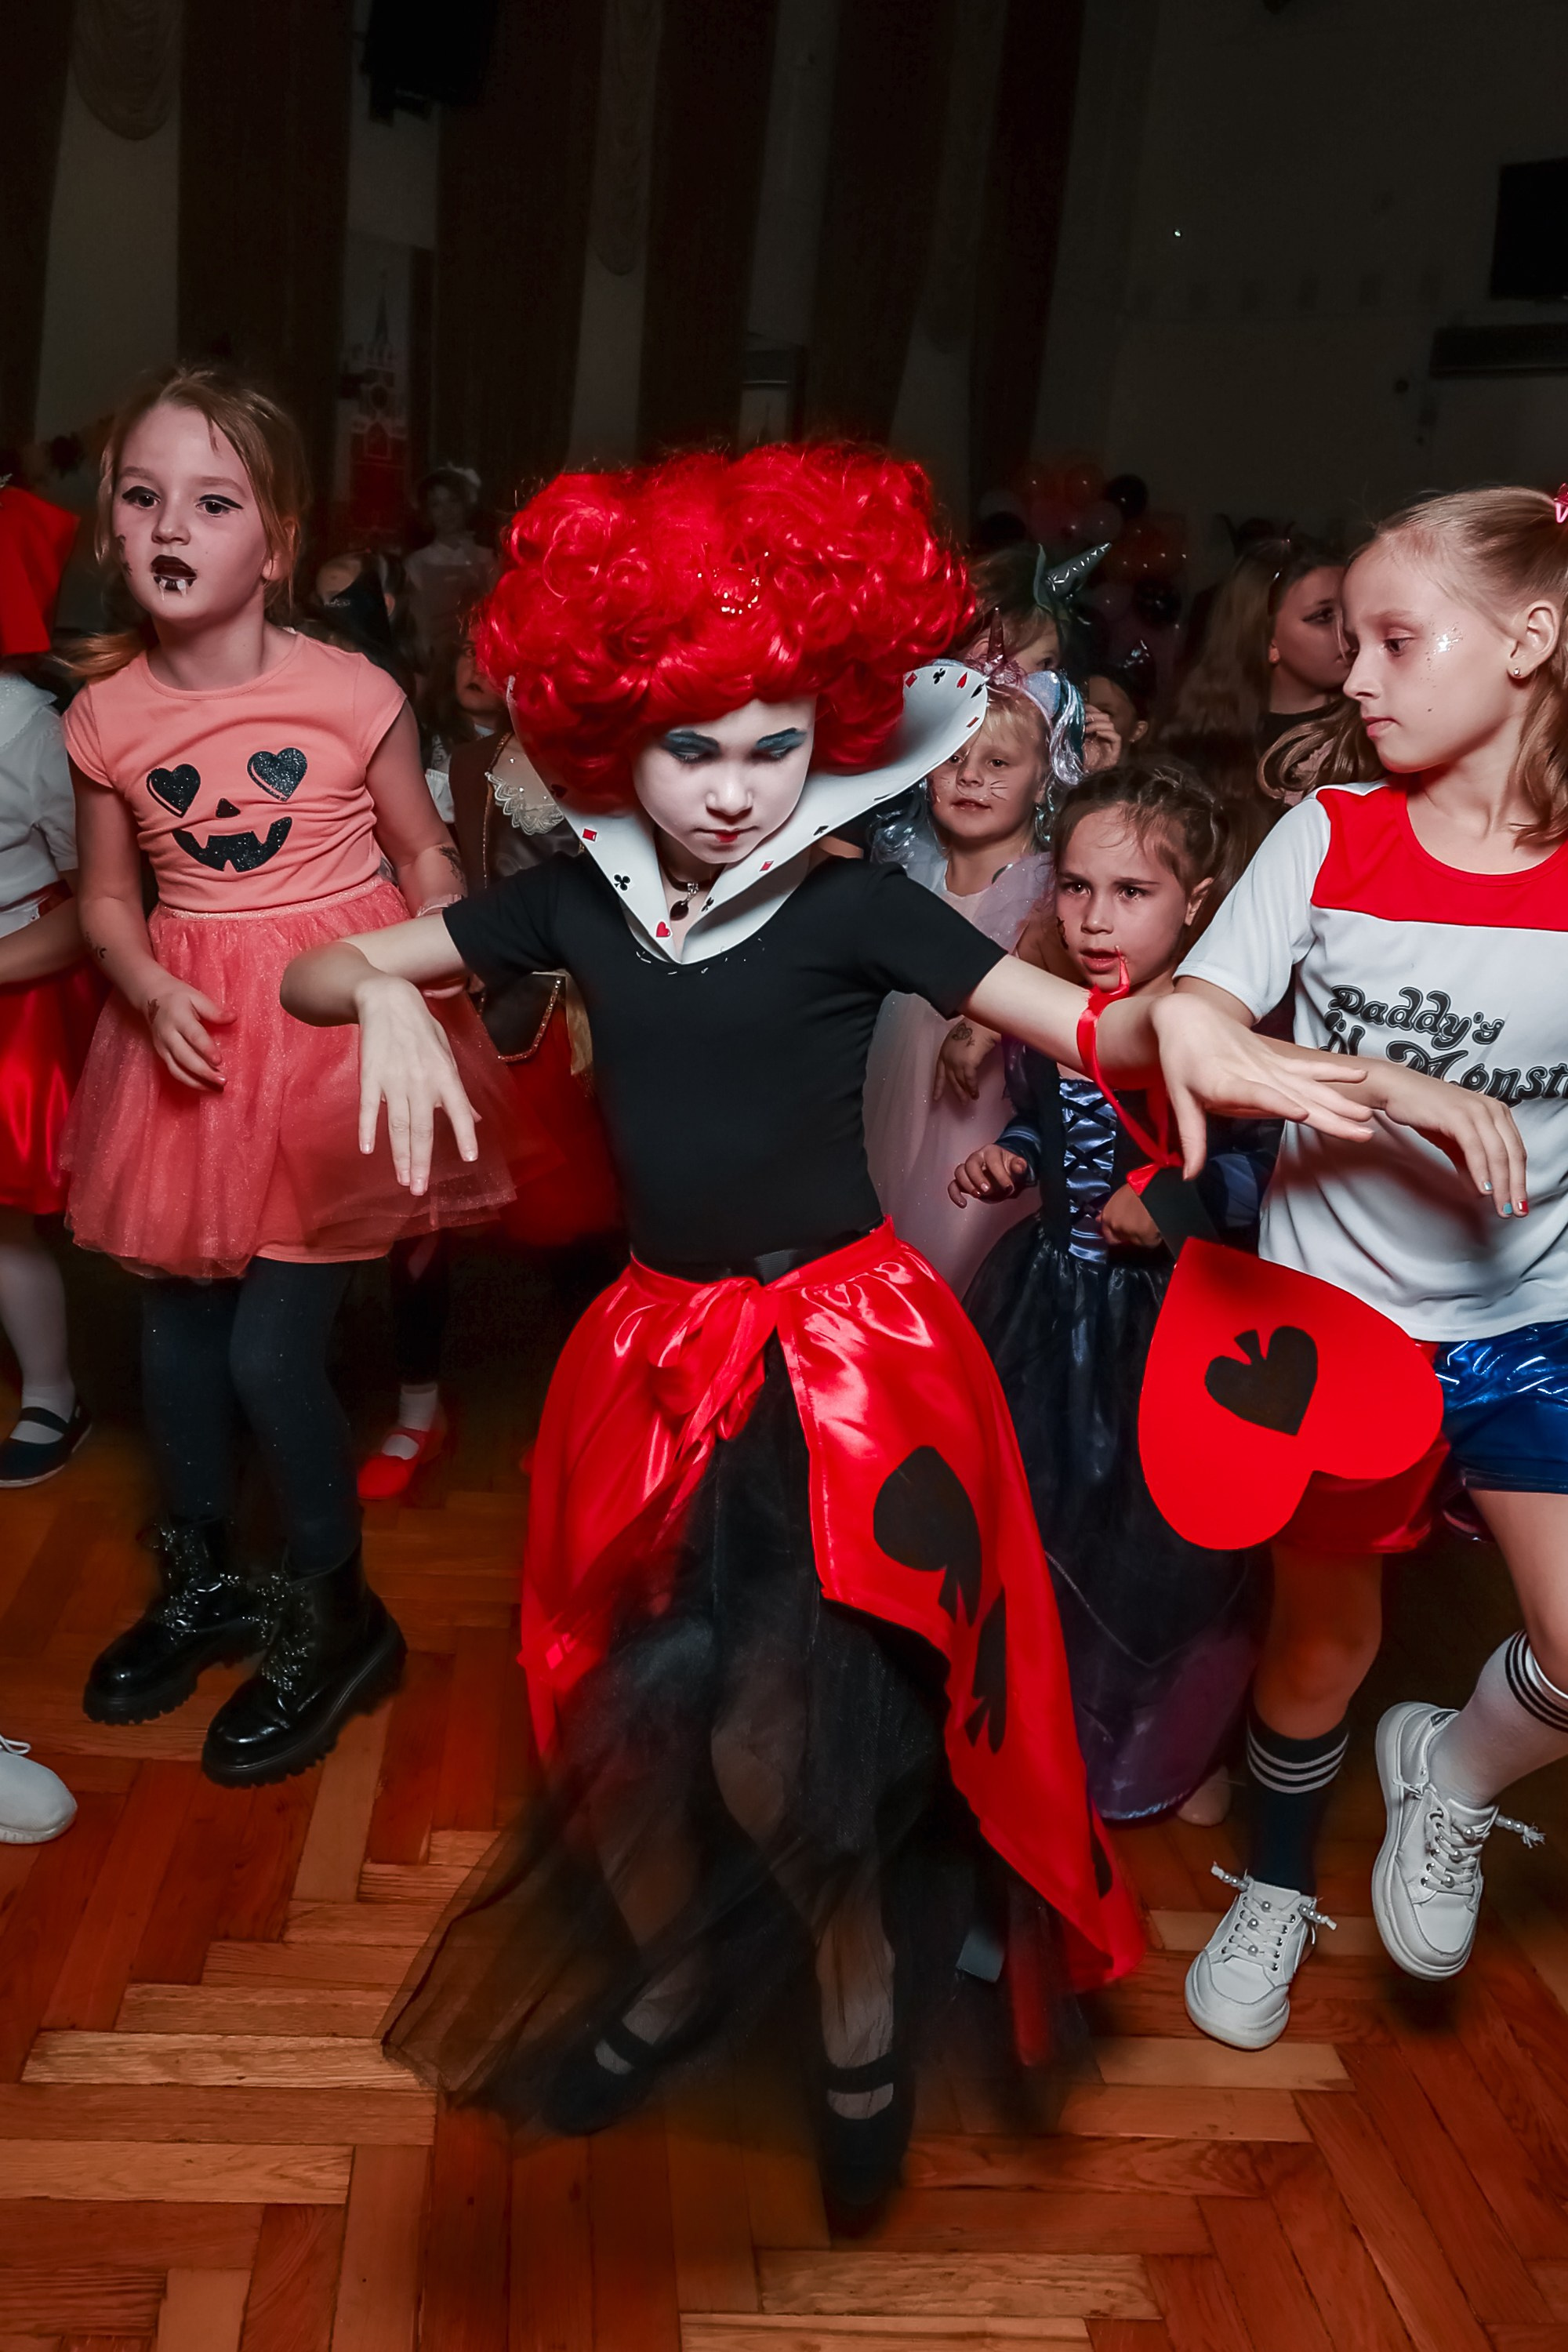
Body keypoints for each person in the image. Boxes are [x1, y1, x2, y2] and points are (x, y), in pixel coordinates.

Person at [284, 445, 1379, 2206]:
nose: (734, 791)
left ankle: (860, 1993)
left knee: (775, 1731)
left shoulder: (852, 901)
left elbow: (1068, 1020)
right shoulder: (578, 897)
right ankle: (675, 1968)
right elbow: (310, 972)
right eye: (694, 747)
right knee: (617, 1708)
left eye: (776, 746)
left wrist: (1191, 1038)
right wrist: (389, 1005)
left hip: (838, 1358)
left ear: (836, 736)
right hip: (649, 1357)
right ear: (607, 732)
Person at [58, 363, 517, 1787]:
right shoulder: (109, 718)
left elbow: (426, 852)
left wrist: (430, 960)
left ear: (280, 537)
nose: (171, 524)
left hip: (334, 1029)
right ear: (109, 529)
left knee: (270, 1347)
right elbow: (109, 898)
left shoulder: (351, 689)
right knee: (178, 1343)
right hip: (187, 1037)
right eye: (143, 498)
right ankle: (201, 1585)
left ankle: (338, 1606)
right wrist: (141, 983)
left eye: (212, 499)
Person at [1173, 487, 1559, 2050]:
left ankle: (1450, 1774)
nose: (1357, 673)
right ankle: (1274, 1886)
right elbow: (1193, 1026)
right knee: (1319, 1647)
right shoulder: (1325, 836)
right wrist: (1389, 1087)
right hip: (1326, 1331)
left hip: (1531, 1317)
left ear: (1532, 640)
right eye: (1356, 639)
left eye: (1399, 638)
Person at [953, 758, 1272, 1826]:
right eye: (1078, 888)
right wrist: (1014, 1156)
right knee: (1043, 1523)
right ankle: (1043, 1732)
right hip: (1047, 1306)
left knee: (1171, 1548)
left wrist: (1168, 1201)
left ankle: (1175, 1745)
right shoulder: (1046, 1007)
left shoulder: (1227, 1023)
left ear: (1201, 904)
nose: (1095, 920)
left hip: (1173, 1327)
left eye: (1132, 894)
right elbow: (1041, 1113)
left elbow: (1265, 1167)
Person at [358, 702, 622, 1504]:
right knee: (421, 1230)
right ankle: (416, 1412)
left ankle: (583, 1419)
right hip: (465, 1019)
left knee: (576, 1237)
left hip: (572, 1030)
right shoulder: (468, 762)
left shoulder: (628, 757)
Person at [862, 673, 1056, 1295]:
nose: (971, 779)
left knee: (958, 1253)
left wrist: (985, 1023)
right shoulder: (903, 875)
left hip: (984, 1118)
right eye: (953, 761)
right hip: (900, 1090)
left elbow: (1064, 975)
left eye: (998, 762)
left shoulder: (1049, 887)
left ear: (1045, 779)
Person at [0, 482, 99, 1489]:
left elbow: (96, 898)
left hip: (16, 987)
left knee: (6, 1210)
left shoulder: (26, 729)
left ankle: (52, 1391)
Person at [1163, 536, 1348, 848]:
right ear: (1267, 640)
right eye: (1324, 617)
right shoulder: (1200, 745)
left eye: (1351, 610)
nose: (1350, 630)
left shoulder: (1373, 731)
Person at [404, 468, 496, 670]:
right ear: (427, 512)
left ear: (465, 505)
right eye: (436, 505)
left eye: (453, 501)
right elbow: (419, 625)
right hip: (437, 665)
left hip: (480, 662)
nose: (447, 512)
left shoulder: (487, 558)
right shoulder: (418, 562)